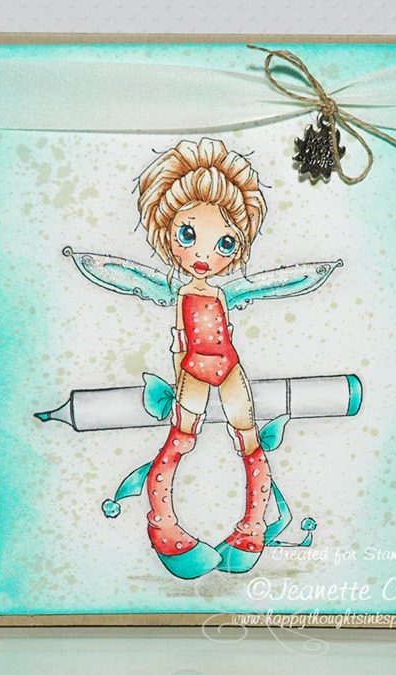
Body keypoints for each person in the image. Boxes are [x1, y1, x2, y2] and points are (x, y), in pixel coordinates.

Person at [136, 137, 272, 578]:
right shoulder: (183, 295)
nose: (202, 256)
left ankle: (253, 527)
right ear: (167, 233)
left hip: (229, 367)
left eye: (225, 243)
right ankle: (163, 525)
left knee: (248, 437)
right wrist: (179, 377)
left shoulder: (219, 294)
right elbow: (182, 340)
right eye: (188, 235)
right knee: (182, 436)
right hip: (194, 368)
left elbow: (224, 335)